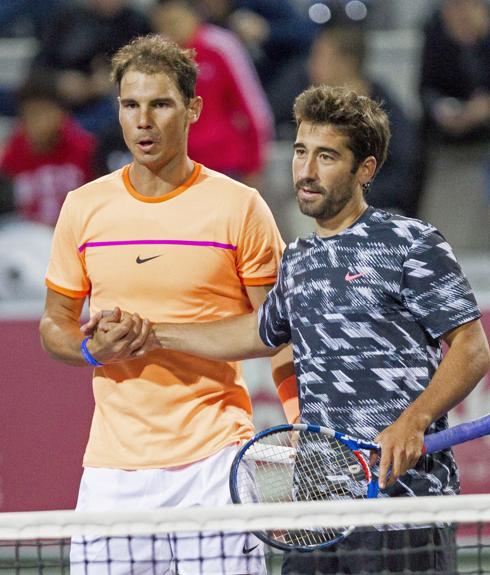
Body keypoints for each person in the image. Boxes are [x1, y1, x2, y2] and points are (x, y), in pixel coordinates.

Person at [91, 85, 490, 573]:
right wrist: (152, 335)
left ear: (364, 169)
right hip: (319, 510)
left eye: (326, 157)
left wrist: (413, 421)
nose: (305, 170)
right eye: (301, 152)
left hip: (405, 509)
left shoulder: (411, 243)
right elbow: (256, 333)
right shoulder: (298, 259)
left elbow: (472, 349)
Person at [39, 34, 295, 575]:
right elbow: (54, 325)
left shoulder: (240, 208)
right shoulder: (83, 208)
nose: (143, 121)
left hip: (215, 460)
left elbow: (277, 333)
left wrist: (300, 421)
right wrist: (91, 349)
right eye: (131, 105)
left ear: (193, 109)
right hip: (113, 473)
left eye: (160, 104)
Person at [151, 0, 274, 188]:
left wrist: (254, 165)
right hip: (174, 168)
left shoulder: (221, 46)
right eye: (164, 25)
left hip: (223, 165)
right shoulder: (155, 54)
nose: (171, 31)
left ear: (193, 16)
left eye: (175, 22)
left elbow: (253, 108)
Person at [0, 73, 97, 227]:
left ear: (61, 114)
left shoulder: (85, 148)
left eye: (44, 112)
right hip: (28, 240)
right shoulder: (12, 154)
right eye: (31, 114)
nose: (38, 122)